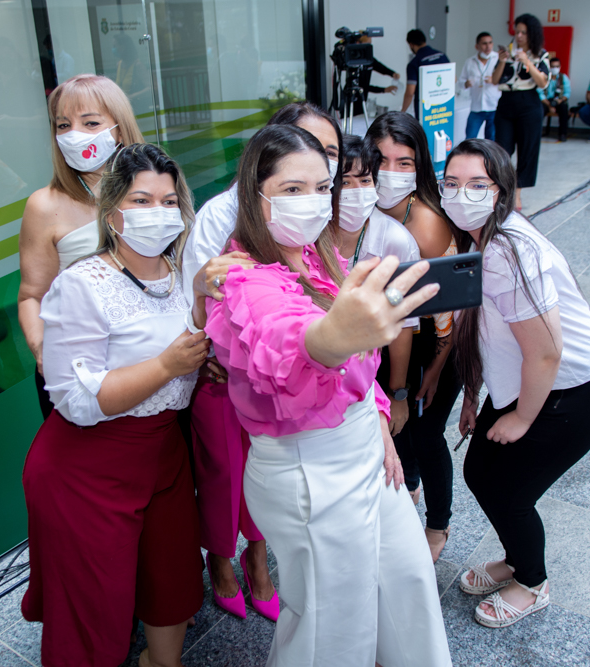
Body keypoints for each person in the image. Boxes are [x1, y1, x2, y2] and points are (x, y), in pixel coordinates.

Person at [200, 122, 451, 666]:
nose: (313, 202)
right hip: (311, 471)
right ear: (255, 196)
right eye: (292, 189)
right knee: (332, 630)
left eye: (320, 187)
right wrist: (335, 337)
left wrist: (378, 420)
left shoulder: (317, 255)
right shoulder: (242, 277)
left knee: (408, 583)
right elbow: (289, 346)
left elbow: (361, 374)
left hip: (365, 452)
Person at [22, 143, 207, 667]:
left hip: (163, 453)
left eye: (168, 202)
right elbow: (77, 400)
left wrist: (199, 359)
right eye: (141, 201)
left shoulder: (180, 275)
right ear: (112, 212)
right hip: (88, 465)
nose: (157, 213)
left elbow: (188, 354)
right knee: (94, 602)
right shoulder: (83, 284)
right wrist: (167, 365)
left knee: (171, 575)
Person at [440, 139, 590, 628]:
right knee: (481, 471)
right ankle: (517, 558)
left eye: (477, 184)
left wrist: (522, 418)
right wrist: (474, 395)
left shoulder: (508, 250)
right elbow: (479, 326)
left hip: (574, 390)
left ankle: (532, 582)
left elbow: (546, 352)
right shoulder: (477, 237)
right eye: (451, 183)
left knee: (509, 490)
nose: (461, 194)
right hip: (527, 379)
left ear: (501, 191)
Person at [181, 101, 343, 623]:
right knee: (224, 477)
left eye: (327, 156)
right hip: (225, 375)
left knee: (262, 478)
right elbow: (201, 293)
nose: (313, 172)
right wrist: (209, 344)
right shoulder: (224, 219)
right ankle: (220, 561)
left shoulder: (317, 238)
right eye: (294, 183)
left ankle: (258, 560)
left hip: (285, 399)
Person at [18, 74, 145, 420]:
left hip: (153, 359)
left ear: (119, 130)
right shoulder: (44, 206)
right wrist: (42, 350)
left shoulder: (156, 188)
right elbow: (32, 295)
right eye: (63, 125)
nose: (75, 135)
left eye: (90, 123)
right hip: (80, 368)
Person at [366, 111, 460, 562]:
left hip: (439, 344)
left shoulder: (427, 223)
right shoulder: (359, 209)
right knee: (398, 427)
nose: (391, 172)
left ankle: (438, 524)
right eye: (381, 159)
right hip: (392, 343)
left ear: (420, 164)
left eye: (404, 162)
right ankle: (411, 487)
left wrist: (436, 371)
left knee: (426, 435)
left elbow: (448, 315)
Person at [335, 134, 420, 443]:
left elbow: (403, 325)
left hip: (374, 367)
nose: (356, 191)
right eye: (345, 182)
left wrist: (397, 394)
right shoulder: (310, 234)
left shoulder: (395, 240)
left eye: (365, 180)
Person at [491, 13, 550, 210]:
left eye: (524, 32)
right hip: (507, 101)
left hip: (529, 103)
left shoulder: (540, 55)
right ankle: (502, 189)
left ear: (532, 34)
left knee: (527, 150)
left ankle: (517, 193)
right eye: (517, 32)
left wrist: (527, 62)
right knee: (502, 149)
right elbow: (495, 80)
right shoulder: (508, 53)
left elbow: (543, 82)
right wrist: (501, 61)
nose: (519, 36)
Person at [461, 32, 502, 140]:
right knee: (470, 138)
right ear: (477, 46)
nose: (488, 46)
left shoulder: (498, 59)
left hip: (494, 106)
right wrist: (466, 83)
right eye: (484, 43)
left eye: (490, 43)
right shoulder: (470, 62)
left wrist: (494, 79)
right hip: (477, 107)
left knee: (491, 139)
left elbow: (506, 80)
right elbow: (460, 82)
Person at [402, 29, 450, 118]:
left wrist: (402, 111)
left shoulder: (414, 63)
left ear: (411, 44)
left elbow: (410, 93)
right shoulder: (442, 56)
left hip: (425, 111)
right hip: (443, 108)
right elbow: (453, 79)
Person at [538, 57, 571, 142]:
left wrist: (561, 100)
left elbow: (567, 93)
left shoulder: (563, 77)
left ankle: (562, 134)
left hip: (558, 101)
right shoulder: (544, 77)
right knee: (539, 110)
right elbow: (540, 93)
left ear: (560, 67)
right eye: (553, 66)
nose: (555, 69)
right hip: (546, 101)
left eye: (557, 66)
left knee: (564, 108)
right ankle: (536, 133)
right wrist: (549, 105)